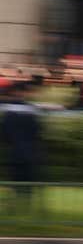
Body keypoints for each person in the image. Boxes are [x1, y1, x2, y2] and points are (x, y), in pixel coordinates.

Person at [1, 81, 44, 212]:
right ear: (24, 92)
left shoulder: (8, 110)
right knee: (28, 179)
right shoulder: (32, 109)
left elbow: (4, 132)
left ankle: (13, 206)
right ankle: (26, 207)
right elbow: (37, 130)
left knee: (14, 179)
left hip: (15, 150)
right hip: (30, 150)